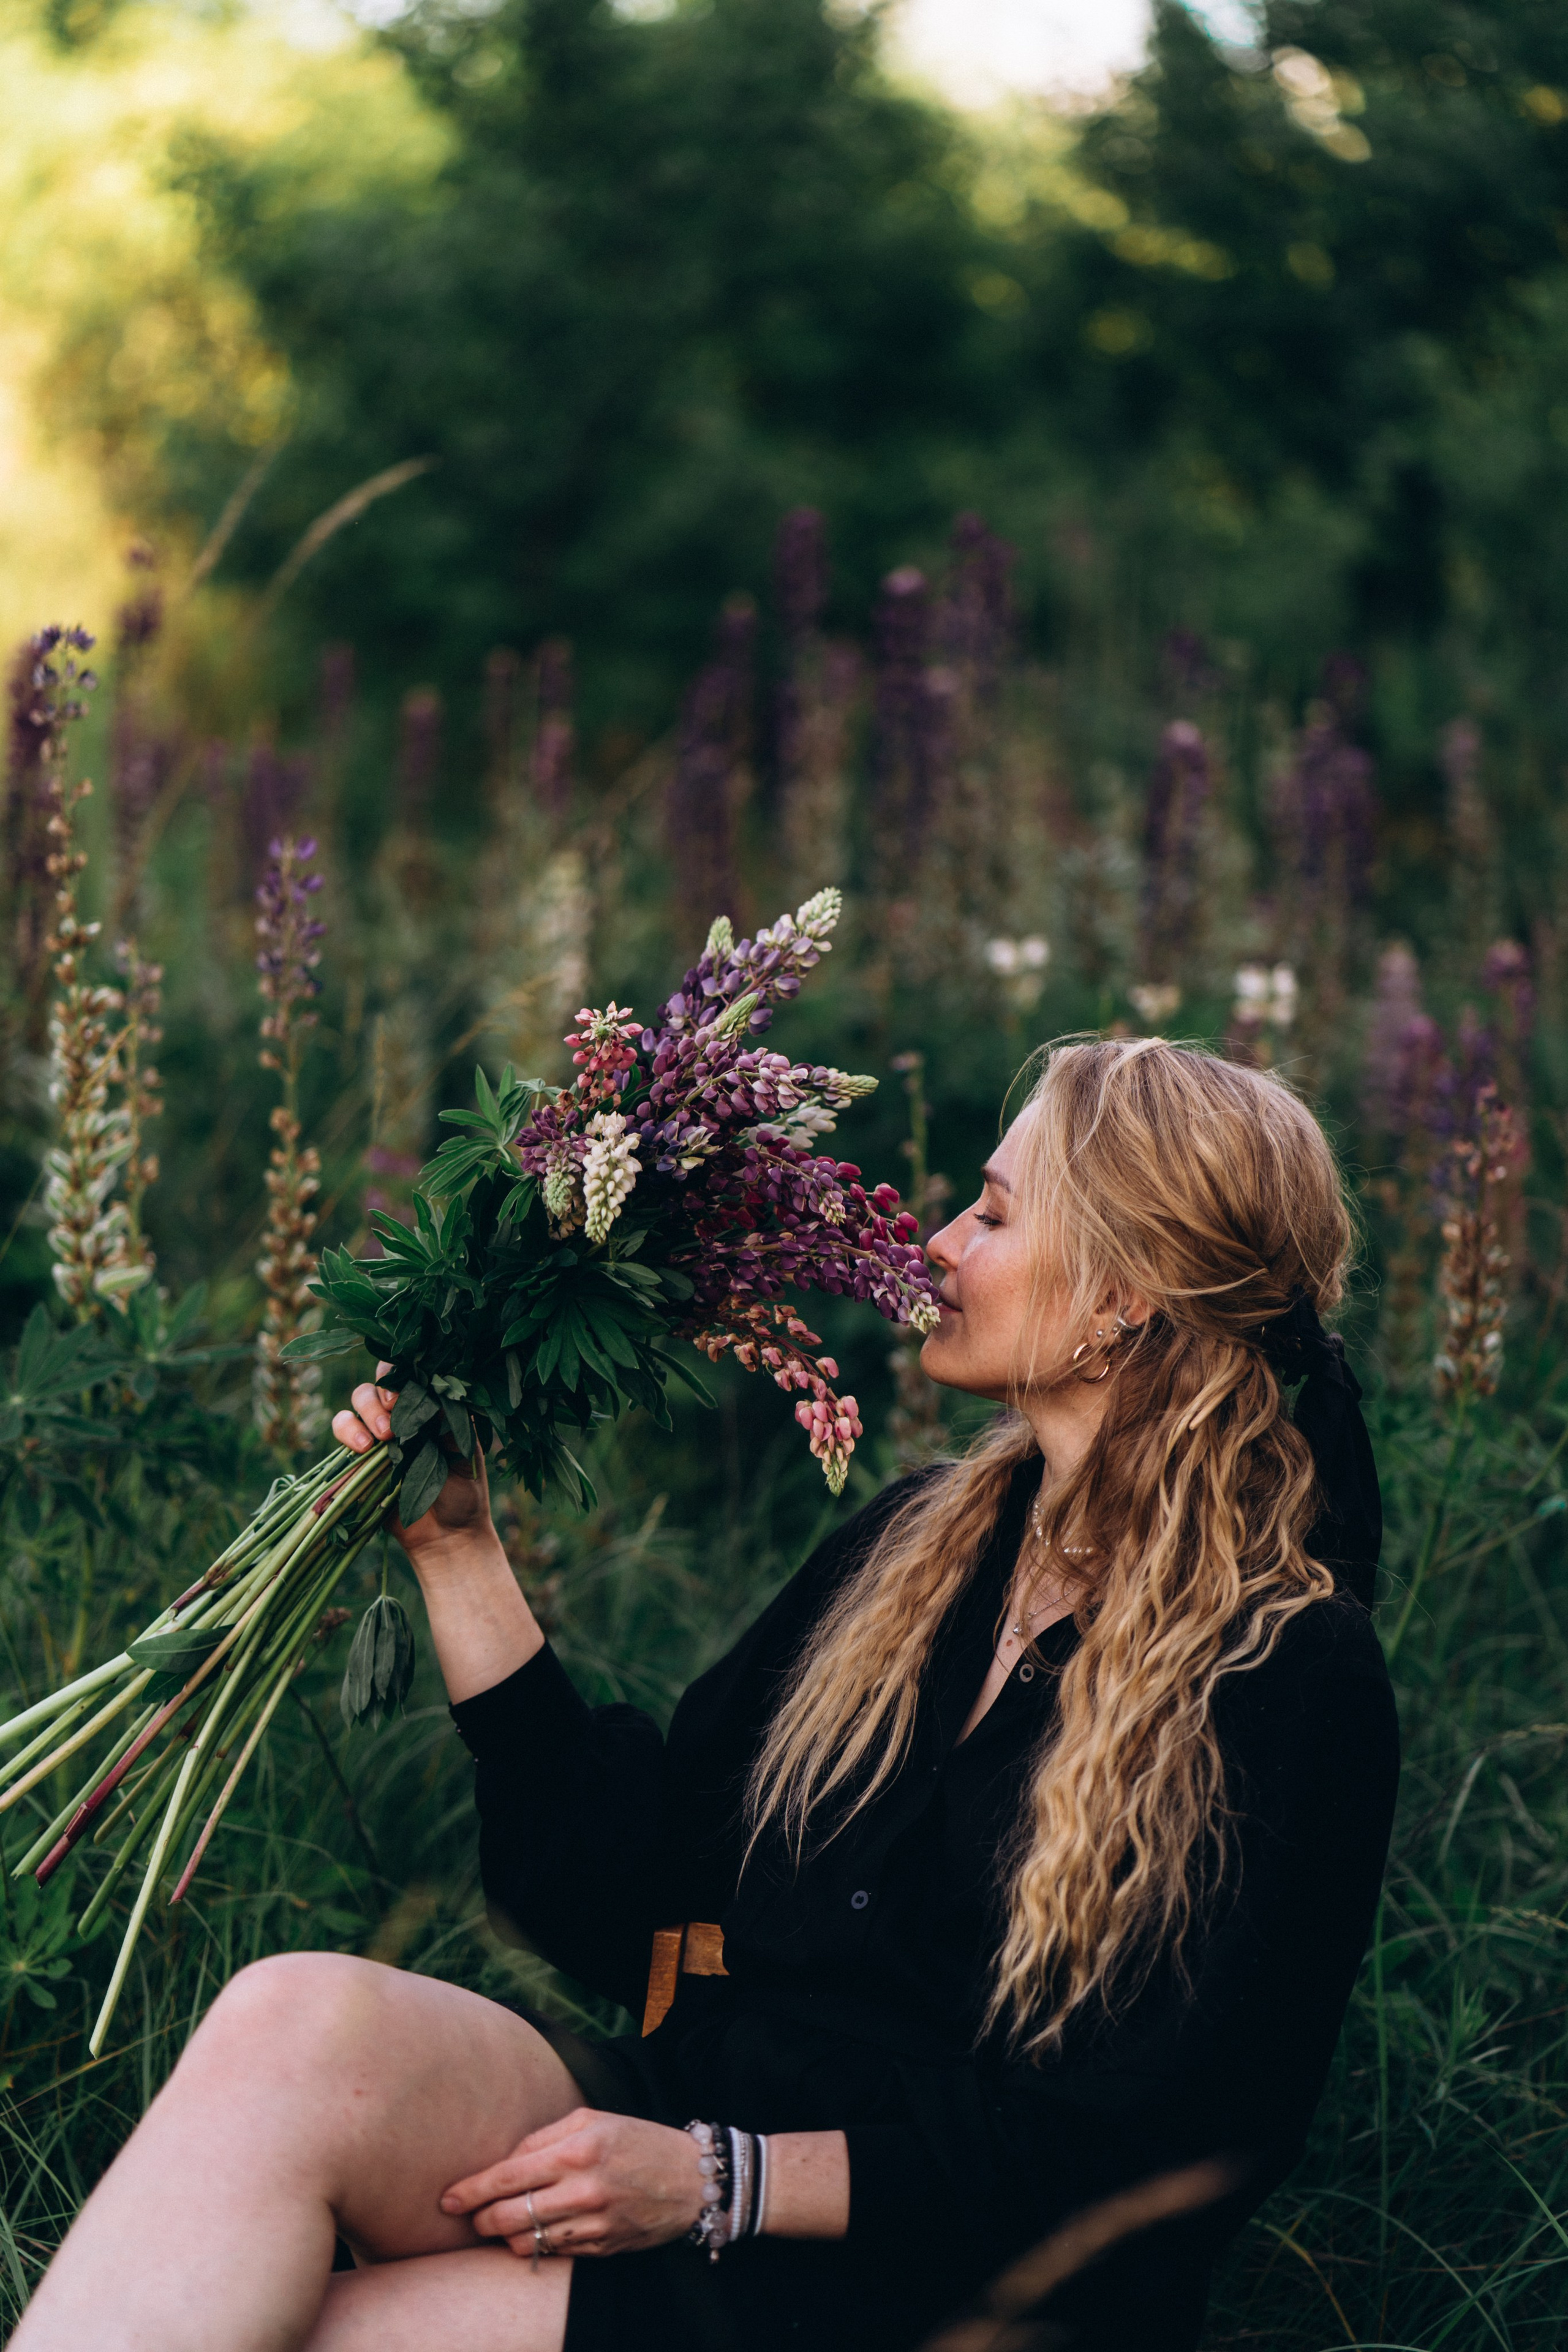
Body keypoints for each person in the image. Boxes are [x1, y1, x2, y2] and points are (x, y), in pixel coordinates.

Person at [12, 1037, 1398, 2352]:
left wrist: (725, 2181)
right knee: (295, 2022)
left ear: (1121, 1300)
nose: (935, 1244)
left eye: (989, 1215)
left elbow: (1162, 2145)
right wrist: (456, 1549)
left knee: (328, 2335)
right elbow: (631, 1900)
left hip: (940, 2277)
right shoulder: (920, 1549)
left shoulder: (1284, 1674)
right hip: (694, 2122)